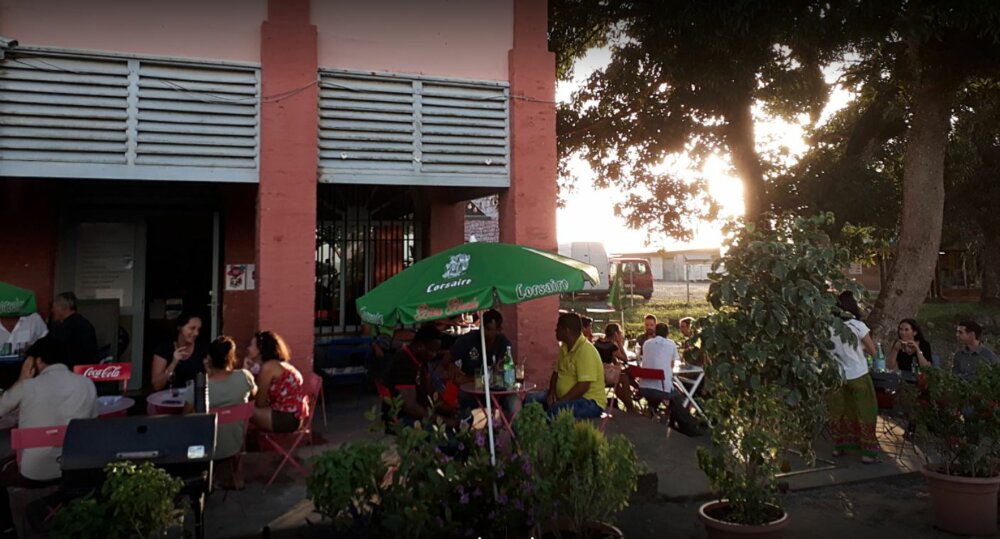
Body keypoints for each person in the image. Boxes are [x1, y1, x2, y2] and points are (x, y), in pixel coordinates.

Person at [0, 336, 97, 535]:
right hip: (74, 469)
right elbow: (91, 426)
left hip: (33, 472)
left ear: (38, 361)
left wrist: (21, 379)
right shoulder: (87, 384)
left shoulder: (28, 387)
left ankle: (10, 527)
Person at [183, 336, 256, 461]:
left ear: (209, 359)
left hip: (205, 450)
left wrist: (208, 373)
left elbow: (185, 416)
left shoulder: (198, 388)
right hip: (234, 447)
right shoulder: (244, 377)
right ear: (231, 358)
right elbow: (254, 394)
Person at [827, 291, 879, 464]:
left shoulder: (829, 327)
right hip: (858, 374)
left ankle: (839, 447)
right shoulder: (858, 326)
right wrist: (858, 350)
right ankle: (867, 452)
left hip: (838, 376)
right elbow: (873, 351)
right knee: (865, 412)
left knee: (840, 412)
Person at [527, 312, 606, 419]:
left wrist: (561, 401)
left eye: (558, 328)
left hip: (589, 401)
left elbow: (583, 387)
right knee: (528, 400)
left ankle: (547, 434)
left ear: (566, 331)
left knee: (554, 411)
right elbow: (555, 374)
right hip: (563, 397)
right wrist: (552, 392)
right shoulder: (564, 347)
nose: (555, 331)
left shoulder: (585, 351)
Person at [381, 325, 456, 427]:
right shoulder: (403, 361)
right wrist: (443, 420)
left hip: (418, 410)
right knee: (446, 438)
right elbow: (410, 407)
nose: (434, 355)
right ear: (420, 346)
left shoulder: (422, 359)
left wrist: (449, 410)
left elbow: (430, 392)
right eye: (432, 351)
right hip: (399, 417)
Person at [247, 331, 310, 433]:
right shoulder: (281, 364)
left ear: (260, 350)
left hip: (284, 419)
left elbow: (260, 403)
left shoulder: (268, 368)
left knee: (241, 411)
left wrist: (246, 371)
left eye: (251, 345)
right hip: (295, 417)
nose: (248, 348)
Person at [150, 314, 208, 391]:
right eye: (192, 328)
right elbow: (157, 385)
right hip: (169, 397)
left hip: (193, 397)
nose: (196, 333)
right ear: (180, 327)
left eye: (198, 329)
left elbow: (212, 377)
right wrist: (173, 363)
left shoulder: (203, 348)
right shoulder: (164, 348)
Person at [48, 292, 99, 366]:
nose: (52, 310)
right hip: (85, 370)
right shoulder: (85, 324)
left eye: (54, 307)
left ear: (62, 307)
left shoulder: (61, 328)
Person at [594, 323, 636, 412]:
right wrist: (619, 343)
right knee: (624, 378)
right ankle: (630, 406)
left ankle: (629, 404)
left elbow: (611, 359)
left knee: (620, 381)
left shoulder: (598, 343)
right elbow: (625, 359)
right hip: (604, 375)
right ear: (616, 334)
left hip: (597, 373)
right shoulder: (611, 347)